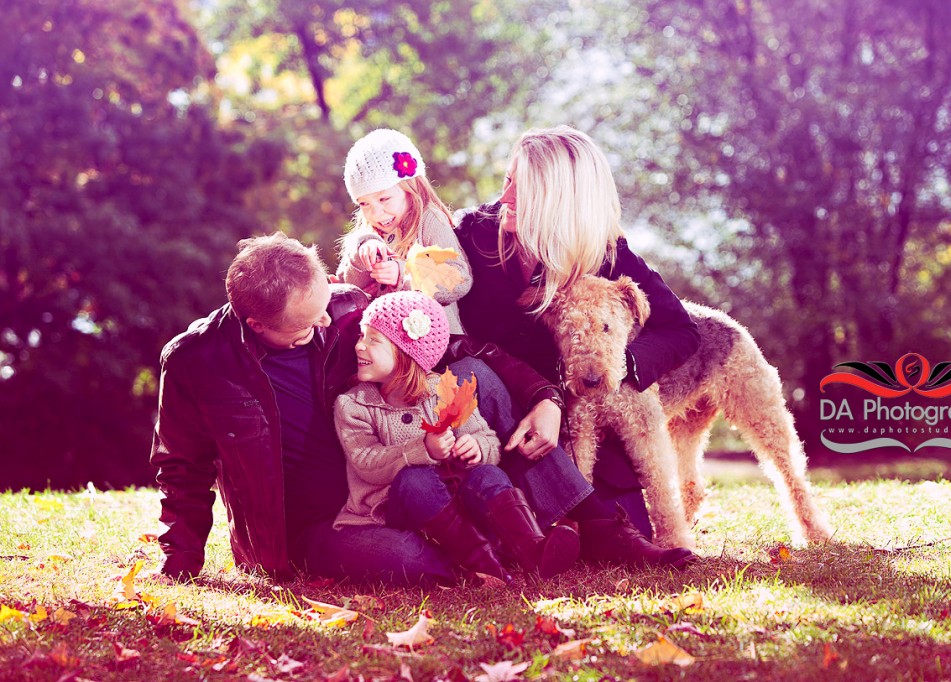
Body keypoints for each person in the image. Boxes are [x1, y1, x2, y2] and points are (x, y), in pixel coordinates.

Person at [150, 233, 458, 586]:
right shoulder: (195, 361)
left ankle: (486, 549)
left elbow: (427, 351)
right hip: (304, 532)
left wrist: (537, 393)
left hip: (379, 495)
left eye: (323, 309)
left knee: (437, 501)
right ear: (257, 325)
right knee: (410, 558)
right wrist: (180, 563)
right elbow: (181, 468)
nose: (325, 323)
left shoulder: (346, 310)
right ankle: (461, 557)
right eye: (308, 323)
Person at [455, 125, 702, 563]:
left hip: (583, 431)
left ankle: (589, 518)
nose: (503, 197)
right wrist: (544, 397)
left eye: (521, 188)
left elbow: (680, 332)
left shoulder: (607, 253)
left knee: (621, 530)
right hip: (497, 415)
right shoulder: (472, 236)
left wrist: (611, 365)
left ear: (558, 203)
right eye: (508, 180)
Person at [333, 290, 578, 583]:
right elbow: (365, 462)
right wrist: (423, 449)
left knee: (487, 474)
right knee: (416, 480)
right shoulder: (353, 405)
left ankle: (532, 548)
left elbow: (487, 438)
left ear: (406, 352)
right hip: (398, 510)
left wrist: (477, 447)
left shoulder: (443, 391)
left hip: (459, 507)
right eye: (362, 336)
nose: (359, 346)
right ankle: (480, 562)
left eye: (373, 340)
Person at [337, 128, 472, 336]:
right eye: (364, 203)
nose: (375, 213)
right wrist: (361, 252)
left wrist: (404, 273)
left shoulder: (428, 220)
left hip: (435, 342)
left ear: (411, 188)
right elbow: (349, 289)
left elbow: (459, 279)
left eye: (384, 199)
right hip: (385, 348)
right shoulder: (367, 234)